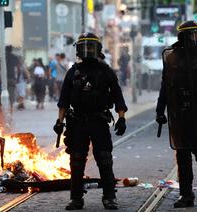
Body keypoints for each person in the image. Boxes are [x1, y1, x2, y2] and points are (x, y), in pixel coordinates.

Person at [54, 33, 127, 210]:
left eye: (90, 47)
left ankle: (109, 197)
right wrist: (59, 121)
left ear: (97, 50)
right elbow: (64, 100)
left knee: (104, 159)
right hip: (77, 122)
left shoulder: (106, 71)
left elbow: (118, 97)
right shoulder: (72, 72)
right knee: (76, 161)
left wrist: (121, 118)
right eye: (84, 47)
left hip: (98, 121)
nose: (87, 51)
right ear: (78, 50)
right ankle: (76, 198)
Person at [156, 21, 197, 209]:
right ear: (185, 36)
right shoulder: (173, 58)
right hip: (180, 114)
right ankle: (186, 196)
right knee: (183, 157)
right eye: (193, 34)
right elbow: (165, 87)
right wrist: (159, 110)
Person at [5, 45, 21, 114]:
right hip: (12, 78)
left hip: (3, 78)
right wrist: (17, 78)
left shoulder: (3, 57)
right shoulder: (15, 58)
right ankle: (11, 109)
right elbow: (18, 69)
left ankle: (4, 110)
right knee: (11, 94)